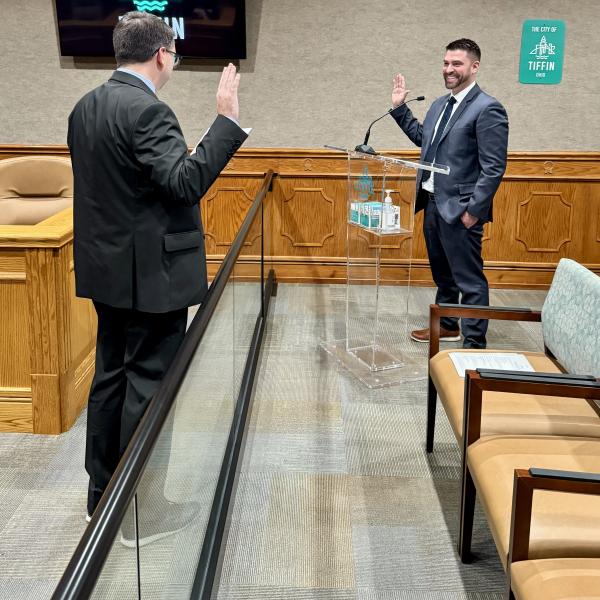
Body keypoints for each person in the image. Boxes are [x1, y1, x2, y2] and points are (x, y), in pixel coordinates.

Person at [67, 11, 248, 522]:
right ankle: (140, 510)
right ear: (162, 54)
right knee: (147, 387)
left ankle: (101, 498)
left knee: (110, 380)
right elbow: (184, 184)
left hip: (107, 273)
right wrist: (226, 122)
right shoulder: (150, 112)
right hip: (151, 280)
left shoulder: (86, 106)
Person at [390, 38, 508, 348]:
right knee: (442, 273)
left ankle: (473, 342)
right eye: (446, 63)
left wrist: (474, 211)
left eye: (456, 63)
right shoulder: (440, 104)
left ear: (474, 66)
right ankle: (447, 325)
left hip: (461, 209)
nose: (449, 69)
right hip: (431, 203)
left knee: (469, 278)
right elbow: (423, 139)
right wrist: (400, 109)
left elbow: (493, 168)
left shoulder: (488, 108)